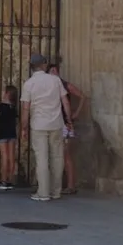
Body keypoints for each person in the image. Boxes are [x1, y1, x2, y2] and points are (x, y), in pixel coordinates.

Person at [21, 55, 73, 201]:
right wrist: (69, 119)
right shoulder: (55, 80)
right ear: (44, 65)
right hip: (56, 123)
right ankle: (56, 191)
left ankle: (43, 192)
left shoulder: (29, 84)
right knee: (57, 157)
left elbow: (26, 108)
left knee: (42, 158)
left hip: (38, 124)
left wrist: (24, 127)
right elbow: (65, 102)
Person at [48, 63, 86, 195]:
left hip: (65, 124)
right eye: (51, 71)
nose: (53, 73)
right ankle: (56, 184)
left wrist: (76, 113)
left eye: (55, 70)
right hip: (54, 123)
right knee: (55, 154)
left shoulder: (65, 85)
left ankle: (70, 185)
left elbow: (82, 96)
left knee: (65, 155)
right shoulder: (49, 86)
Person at [0, 86, 18, 190]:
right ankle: (10, 180)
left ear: (7, 94)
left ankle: (3, 181)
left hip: (2, 133)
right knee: (11, 157)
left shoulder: (0, 106)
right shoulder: (13, 107)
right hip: (12, 134)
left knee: (4, 157)